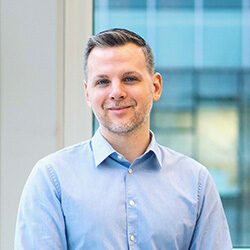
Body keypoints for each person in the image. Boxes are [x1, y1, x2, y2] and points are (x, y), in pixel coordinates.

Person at [15, 28, 232, 249]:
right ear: (87, 93)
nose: (116, 92)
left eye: (129, 79)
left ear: (155, 87)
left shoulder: (196, 182)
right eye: (102, 82)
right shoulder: (52, 179)